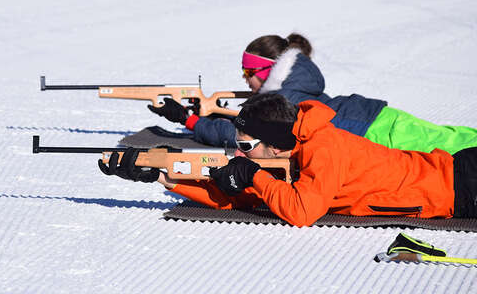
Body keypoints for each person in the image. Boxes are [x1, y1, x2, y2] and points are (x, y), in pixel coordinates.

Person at [104, 93, 477, 227]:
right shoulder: (296, 147)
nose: (237, 153)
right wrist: (165, 178)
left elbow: (301, 212)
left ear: (278, 146)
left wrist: (253, 175)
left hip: (462, 185)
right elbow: (244, 197)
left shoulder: (324, 148)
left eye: (247, 147)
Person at [148, 33, 477, 154]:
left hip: (375, 132)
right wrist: (211, 109)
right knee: (454, 139)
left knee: (455, 146)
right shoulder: (295, 82)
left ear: (268, 71)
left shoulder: (281, 100)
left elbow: (238, 133)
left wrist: (192, 120)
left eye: (249, 73)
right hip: (375, 120)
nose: (246, 81)